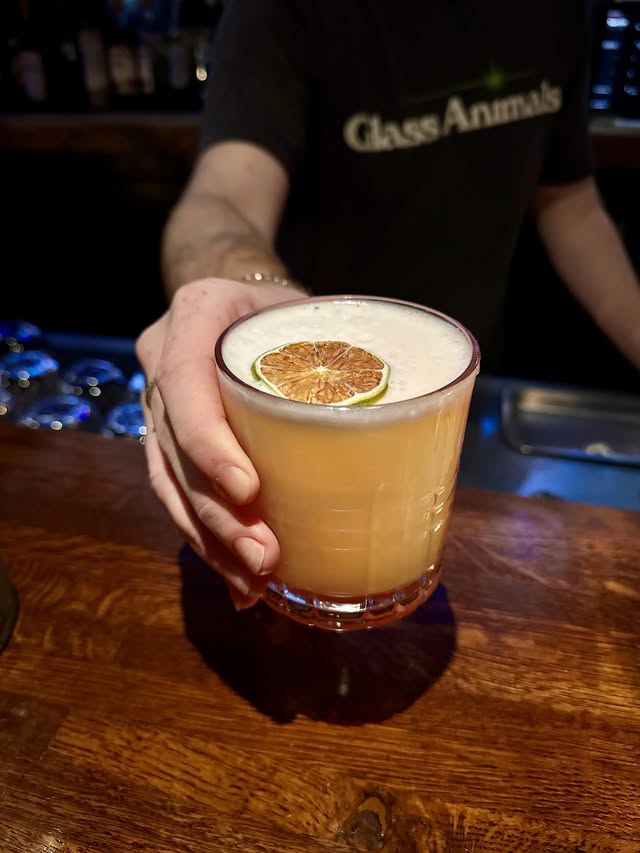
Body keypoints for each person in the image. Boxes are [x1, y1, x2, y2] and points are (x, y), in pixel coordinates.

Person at [135, 0, 640, 610]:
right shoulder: (287, 12)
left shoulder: (557, 11)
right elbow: (223, 199)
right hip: (309, 421)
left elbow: (572, 207)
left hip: (465, 403)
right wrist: (253, 286)